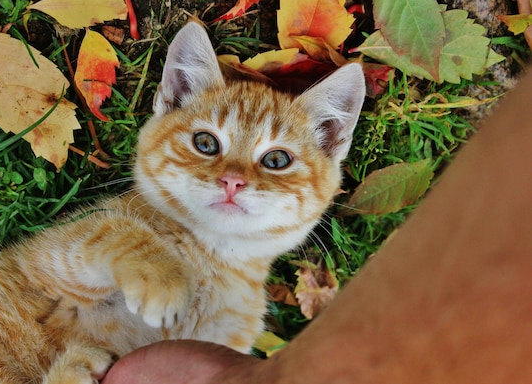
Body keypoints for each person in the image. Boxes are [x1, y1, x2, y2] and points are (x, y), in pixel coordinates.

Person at [103, 67, 532, 384]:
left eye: (275, 160)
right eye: (207, 144)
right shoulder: (119, 235)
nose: (234, 178)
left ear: (330, 140)